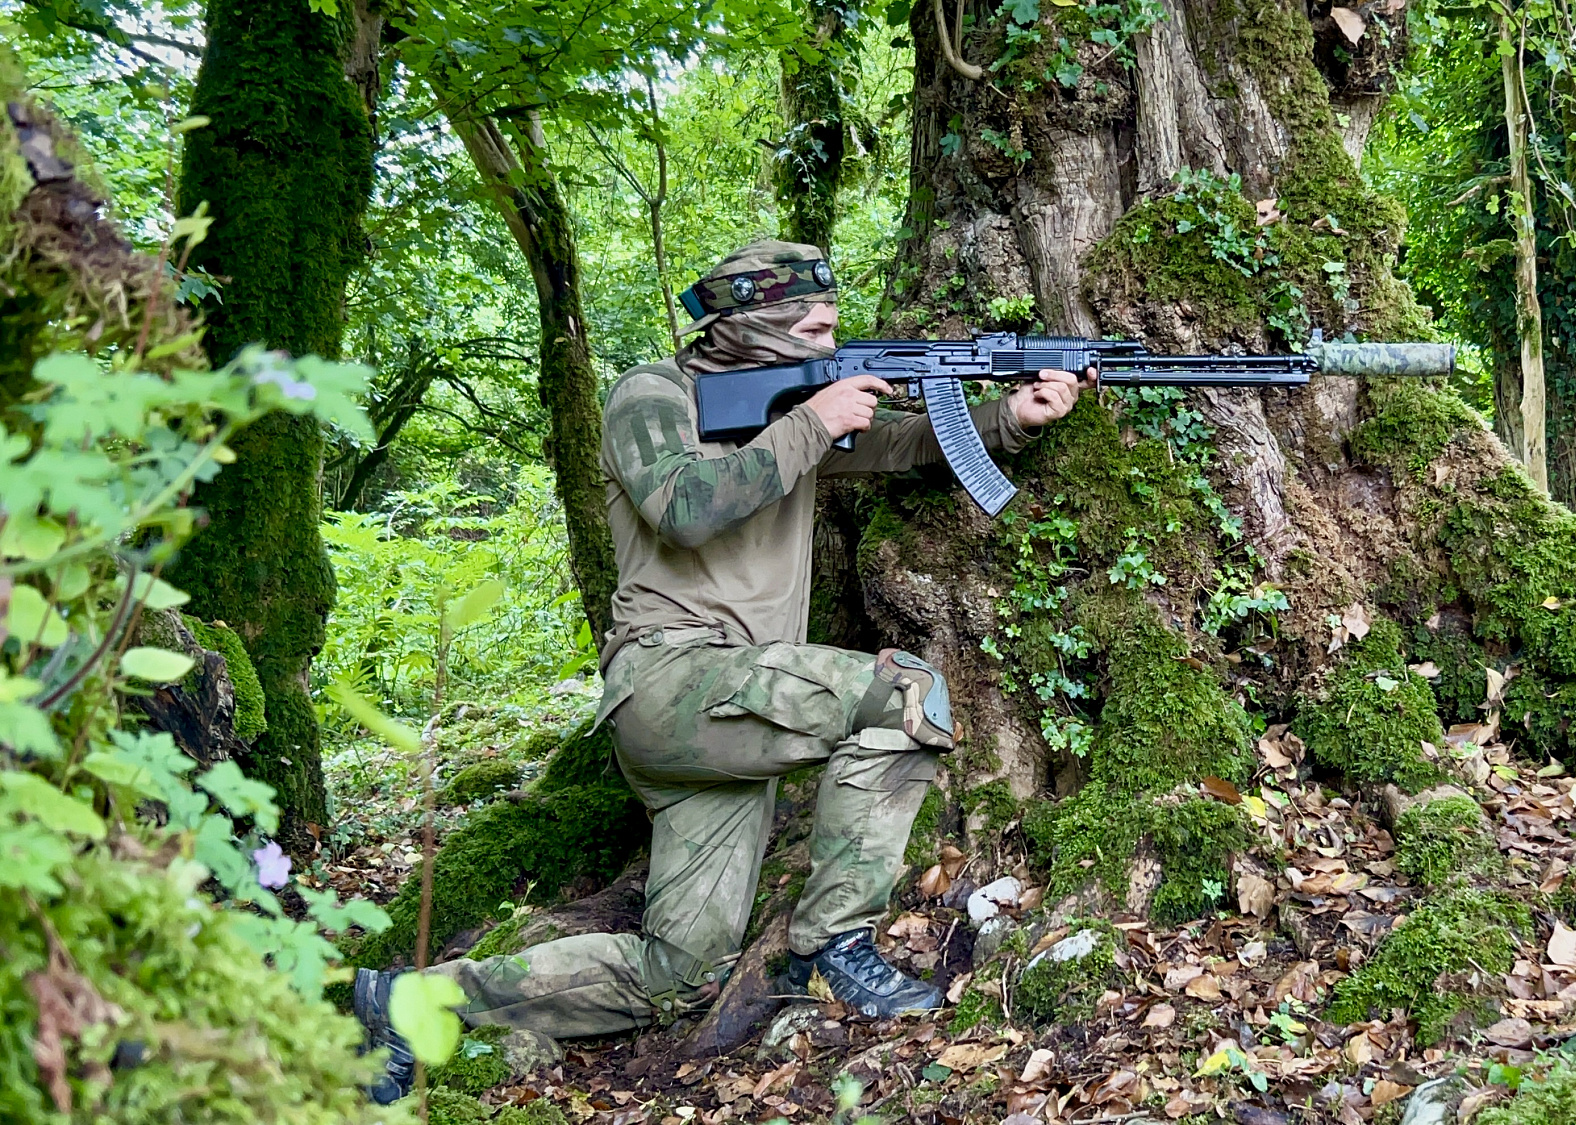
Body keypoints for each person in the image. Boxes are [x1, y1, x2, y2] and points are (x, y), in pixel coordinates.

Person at [352, 240, 1088, 1102]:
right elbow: (683, 506)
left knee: (679, 972)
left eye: (832, 332)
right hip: (668, 685)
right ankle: (835, 943)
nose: (828, 345)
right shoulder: (652, 394)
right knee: (907, 696)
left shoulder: (789, 414)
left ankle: (410, 999)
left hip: (737, 718)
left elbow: (899, 446)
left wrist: (1010, 417)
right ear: (752, 328)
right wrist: (815, 418)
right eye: (813, 329)